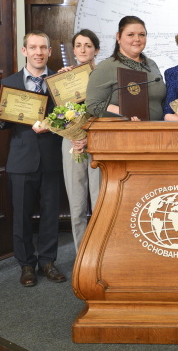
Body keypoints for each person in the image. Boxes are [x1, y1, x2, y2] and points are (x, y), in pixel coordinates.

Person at [0, 31, 65, 287]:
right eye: (33, 47)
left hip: (52, 157)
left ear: (49, 52)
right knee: (20, 217)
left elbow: (70, 117)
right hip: (21, 160)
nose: (38, 52)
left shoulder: (59, 81)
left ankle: (47, 262)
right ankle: (26, 265)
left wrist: (53, 125)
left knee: (50, 213)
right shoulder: (9, 82)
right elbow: (5, 122)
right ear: (24, 51)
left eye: (43, 47)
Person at [59, 30, 102, 252]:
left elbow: (107, 111)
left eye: (88, 45)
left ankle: (99, 255)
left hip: (98, 142)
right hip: (71, 142)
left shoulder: (104, 76)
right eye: (78, 45)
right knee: (76, 205)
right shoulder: (64, 76)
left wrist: (88, 135)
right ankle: (81, 257)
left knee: (99, 203)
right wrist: (75, 136)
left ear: (96, 49)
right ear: (74, 50)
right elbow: (58, 113)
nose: (83, 49)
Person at [84, 16, 166, 120]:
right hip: (124, 132)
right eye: (130, 35)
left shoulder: (152, 64)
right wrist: (124, 113)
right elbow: (92, 105)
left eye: (142, 35)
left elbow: (161, 102)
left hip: (159, 132)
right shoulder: (105, 67)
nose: (137, 39)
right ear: (118, 37)